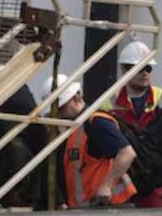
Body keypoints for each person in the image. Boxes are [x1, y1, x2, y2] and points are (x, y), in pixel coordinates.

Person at [45, 74, 137, 208]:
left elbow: (127, 153)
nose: (58, 115)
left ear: (76, 98)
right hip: (87, 208)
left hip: (108, 206)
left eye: (60, 109)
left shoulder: (96, 122)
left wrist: (106, 186)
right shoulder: (75, 128)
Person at [102, 40, 162, 207]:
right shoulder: (108, 102)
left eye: (149, 68)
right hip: (124, 178)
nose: (145, 74)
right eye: (140, 68)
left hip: (155, 179)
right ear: (124, 70)